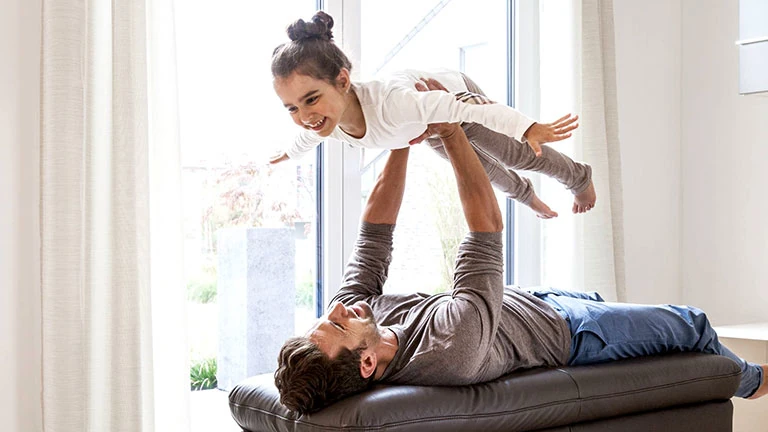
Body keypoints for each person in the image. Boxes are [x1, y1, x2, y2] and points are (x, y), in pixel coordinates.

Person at [273, 79, 767, 415]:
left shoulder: (363, 318)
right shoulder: (450, 349)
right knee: (691, 323)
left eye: (329, 314)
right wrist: (445, 125)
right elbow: (485, 229)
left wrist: (401, 135)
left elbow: (373, 234)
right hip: (573, 335)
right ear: (365, 363)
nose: (339, 307)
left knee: (637, 310)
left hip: (535, 303)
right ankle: (752, 381)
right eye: (339, 323)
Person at [269, 11, 595, 218]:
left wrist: (527, 127)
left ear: (342, 81)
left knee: (517, 155)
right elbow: (304, 139)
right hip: (429, 129)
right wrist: (286, 154)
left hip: (449, 97)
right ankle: (527, 196)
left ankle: (578, 177)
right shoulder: (325, 121)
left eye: (310, 100)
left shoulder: (396, 104)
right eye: (292, 108)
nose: (305, 115)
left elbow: (467, 106)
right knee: (483, 170)